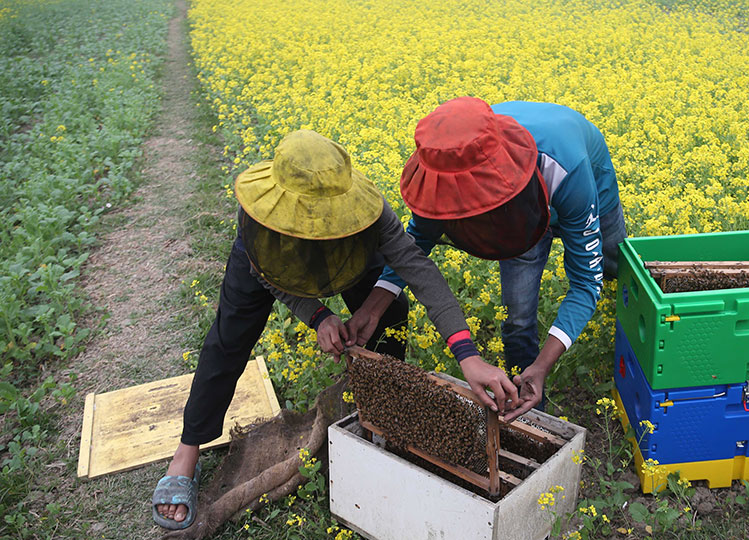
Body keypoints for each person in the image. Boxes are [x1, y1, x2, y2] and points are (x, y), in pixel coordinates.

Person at [152, 129, 517, 529]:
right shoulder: (257, 219)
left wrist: (468, 355)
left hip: (352, 257)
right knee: (227, 342)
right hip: (263, 267)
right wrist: (317, 316)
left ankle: (380, 413)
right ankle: (186, 453)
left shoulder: (371, 216)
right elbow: (266, 274)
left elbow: (420, 271)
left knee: (390, 309)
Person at [352, 97, 626, 424]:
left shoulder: (568, 169)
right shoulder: (445, 174)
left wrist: (545, 362)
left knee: (612, 266)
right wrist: (372, 308)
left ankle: (622, 317)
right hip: (516, 216)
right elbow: (415, 243)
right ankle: (525, 406)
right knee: (519, 318)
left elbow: (585, 283)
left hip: (583, 180)